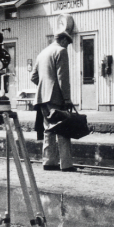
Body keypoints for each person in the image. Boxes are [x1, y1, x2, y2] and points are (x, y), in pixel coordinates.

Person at [31, 30, 76, 172]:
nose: (67, 46)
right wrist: (67, 98)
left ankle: (49, 162)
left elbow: (34, 77)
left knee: (48, 129)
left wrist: (44, 87)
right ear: (63, 40)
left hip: (42, 97)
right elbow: (63, 77)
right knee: (63, 129)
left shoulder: (42, 53)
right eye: (68, 43)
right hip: (56, 97)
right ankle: (66, 164)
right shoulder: (61, 51)